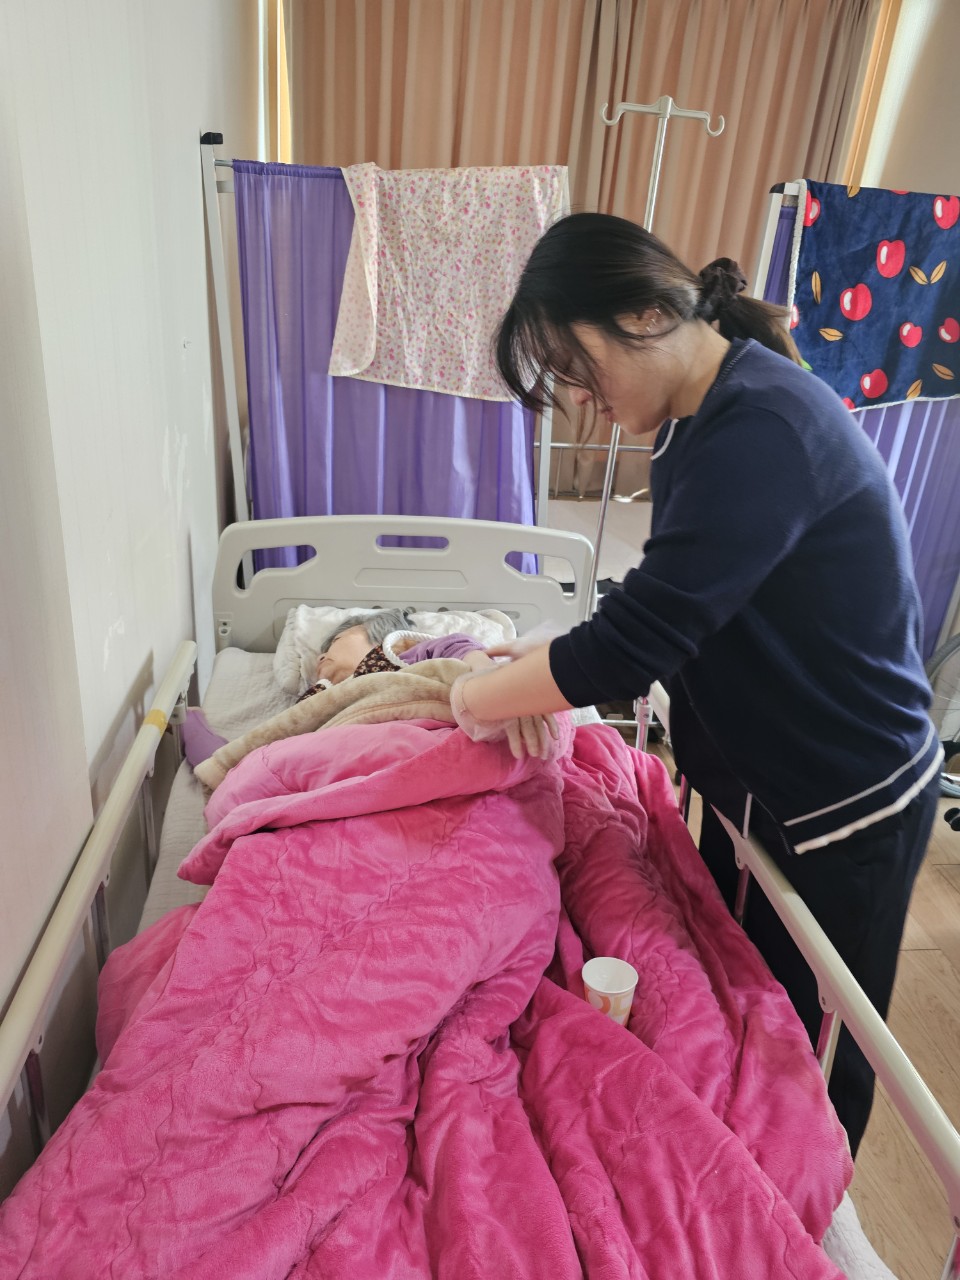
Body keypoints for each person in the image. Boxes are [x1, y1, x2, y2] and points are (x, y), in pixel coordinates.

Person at [450, 212, 941, 1158]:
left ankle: (799, 1206)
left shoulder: (763, 425)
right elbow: (681, 594)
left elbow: (634, 646)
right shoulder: (695, 421)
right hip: (756, 781)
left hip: (845, 797)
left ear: (644, 313)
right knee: (739, 1003)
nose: (582, 399)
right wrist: (545, 655)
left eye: (579, 368)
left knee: (810, 1059)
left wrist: (470, 700)